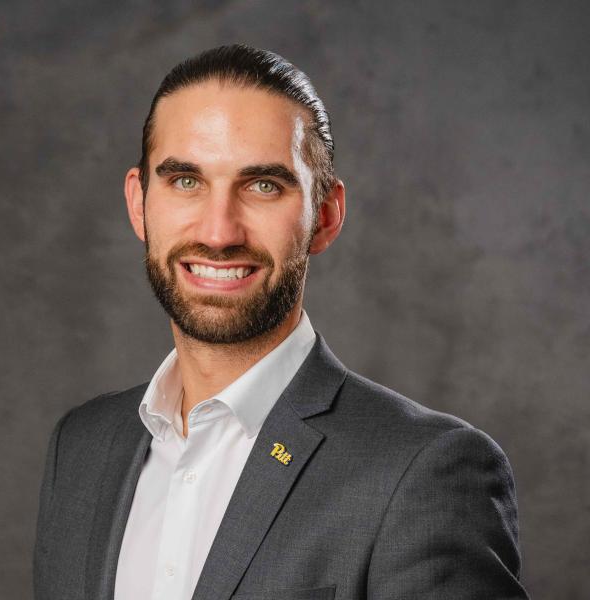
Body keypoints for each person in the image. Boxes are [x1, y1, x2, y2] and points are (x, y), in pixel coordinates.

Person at [33, 45, 529, 600]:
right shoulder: (80, 446)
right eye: (186, 181)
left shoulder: (426, 473)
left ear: (326, 215)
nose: (219, 233)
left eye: (263, 185)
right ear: (138, 203)